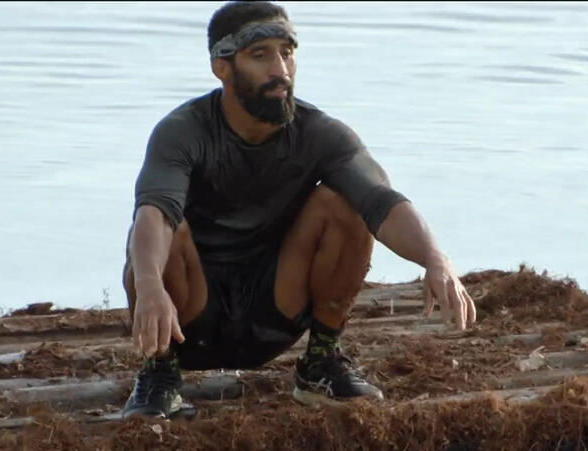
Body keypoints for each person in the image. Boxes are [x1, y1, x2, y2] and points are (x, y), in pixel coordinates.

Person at [121, 0, 476, 419]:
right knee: (164, 224)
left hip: (275, 311)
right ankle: (161, 375)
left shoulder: (320, 134)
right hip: (189, 321)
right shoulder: (182, 132)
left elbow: (381, 200)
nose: (280, 70)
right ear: (222, 65)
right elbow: (155, 213)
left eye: (286, 53)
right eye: (260, 55)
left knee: (343, 203)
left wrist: (435, 259)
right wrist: (147, 285)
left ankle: (321, 363)